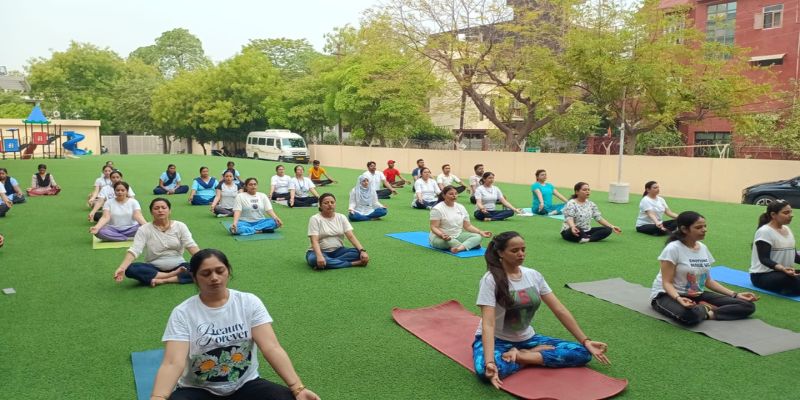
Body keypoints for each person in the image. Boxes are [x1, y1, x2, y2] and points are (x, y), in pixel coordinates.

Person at [150, 249, 320, 400]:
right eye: (206, 274)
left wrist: (297, 388)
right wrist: (158, 396)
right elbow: (173, 362)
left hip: (245, 385)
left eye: (219, 271)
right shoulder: (183, 313)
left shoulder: (248, 302)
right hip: (198, 390)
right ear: (194, 278)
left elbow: (271, 347)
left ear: (228, 271)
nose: (214, 278)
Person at [473, 232, 609, 389]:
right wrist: (490, 361)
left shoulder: (533, 275)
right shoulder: (490, 280)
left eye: (523, 249)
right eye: (514, 250)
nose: (521, 254)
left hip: (527, 338)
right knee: (486, 371)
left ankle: (522, 356)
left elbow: (559, 310)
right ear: (500, 253)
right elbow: (488, 324)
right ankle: (532, 355)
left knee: (582, 352)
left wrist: (586, 341)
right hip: (498, 340)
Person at [650, 211, 758, 325]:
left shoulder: (703, 248)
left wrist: (735, 295)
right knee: (689, 316)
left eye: (705, 226)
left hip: (696, 294)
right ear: (684, 229)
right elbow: (666, 283)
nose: (704, 230)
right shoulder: (673, 249)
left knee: (747, 305)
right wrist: (678, 298)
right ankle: (704, 308)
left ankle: (706, 312)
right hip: (667, 295)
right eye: (698, 227)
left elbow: (708, 281)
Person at [113, 198, 200, 287]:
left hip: (179, 265)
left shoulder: (180, 226)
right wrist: (122, 268)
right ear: (151, 212)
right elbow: (135, 249)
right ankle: (171, 275)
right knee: (131, 269)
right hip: (154, 268)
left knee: (197, 269)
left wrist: (203, 261)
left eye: (163, 208)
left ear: (169, 211)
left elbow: (191, 245)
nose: (160, 210)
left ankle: (163, 280)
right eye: (156, 208)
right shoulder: (144, 229)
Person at [306, 193, 369, 270]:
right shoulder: (315, 219)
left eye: (332, 202)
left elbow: (351, 236)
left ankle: (328, 263)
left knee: (358, 253)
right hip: (319, 252)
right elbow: (314, 241)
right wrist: (319, 256)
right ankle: (353, 263)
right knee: (313, 259)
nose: (330, 205)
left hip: (338, 251)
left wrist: (362, 251)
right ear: (320, 205)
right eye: (326, 203)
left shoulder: (341, 217)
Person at [750, 200, 800, 296]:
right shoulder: (764, 232)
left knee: (793, 279)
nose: (791, 215)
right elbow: (764, 259)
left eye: (791, 212)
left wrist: (785, 270)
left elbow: (794, 257)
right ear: (773, 215)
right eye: (786, 213)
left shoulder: (787, 229)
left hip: (786, 273)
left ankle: (790, 287)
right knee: (792, 281)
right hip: (762, 275)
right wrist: (782, 268)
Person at [430, 186, 491, 253]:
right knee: (451, 242)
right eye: (451, 194)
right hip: (440, 238)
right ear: (444, 195)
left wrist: (480, 232)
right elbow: (434, 227)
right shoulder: (437, 209)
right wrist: (442, 235)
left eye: (456, 194)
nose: (454, 196)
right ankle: (470, 245)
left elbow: (468, 226)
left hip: (457, 236)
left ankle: (459, 249)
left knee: (478, 236)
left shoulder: (461, 207)